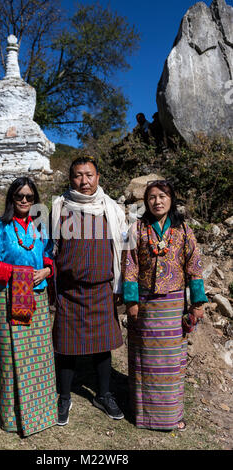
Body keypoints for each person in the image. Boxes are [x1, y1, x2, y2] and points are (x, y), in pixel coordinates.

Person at [123, 180, 207, 432]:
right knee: (145, 361)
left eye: (162, 196)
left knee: (171, 363)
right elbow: (130, 266)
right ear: (145, 202)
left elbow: (194, 267)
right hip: (145, 305)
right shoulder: (137, 229)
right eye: (151, 197)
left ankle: (170, 417)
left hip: (173, 305)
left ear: (171, 200)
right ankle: (144, 416)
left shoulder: (184, 230)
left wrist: (198, 302)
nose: (157, 201)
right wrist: (131, 301)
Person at [51, 156, 127, 426]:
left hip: (102, 289)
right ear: (70, 179)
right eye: (78, 176)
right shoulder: (59, 207)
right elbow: (50, 250)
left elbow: (124, 248)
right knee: (66, 346)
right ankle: (63, 397)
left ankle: (104, 394)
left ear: (98, 177)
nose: (84, 181)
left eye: (89, 175)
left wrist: (122, 285)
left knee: (103, 346)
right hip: (69, 291)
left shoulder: (112, 209)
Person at [0, 176, 57, 437]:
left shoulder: (40, 226)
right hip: (7, 297)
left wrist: (47, 271)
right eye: (19, 196)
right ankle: (11, 417)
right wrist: (19, 273)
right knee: (7, 355)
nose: (24, 201)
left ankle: (41, 411)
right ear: (11, 198)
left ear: (35, 200)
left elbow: (49, 255)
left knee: (38, 357)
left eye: (29, 197)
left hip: (36, 297)